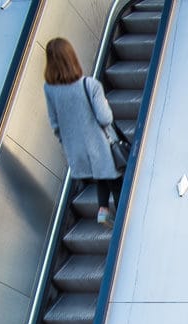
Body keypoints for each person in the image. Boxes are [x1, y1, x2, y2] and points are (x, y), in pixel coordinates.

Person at [43, 37, 123, 228]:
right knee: (117, 182)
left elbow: (55, 125)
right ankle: (121, 222)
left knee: (101, 177)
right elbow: (105, 118)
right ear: (72, 58)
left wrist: (70, 143)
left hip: (78, 152)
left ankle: (103, 210)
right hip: (101, 146)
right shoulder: (90, 85)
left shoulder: (50, 89)